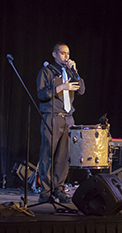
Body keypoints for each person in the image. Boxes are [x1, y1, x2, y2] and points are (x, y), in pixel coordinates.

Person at [36, 43, 85, 203]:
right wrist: (60, 87)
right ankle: (45, 191)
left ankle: (59, 189)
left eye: (68, 53)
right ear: (54, 54)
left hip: (68, 118)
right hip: (52, 116)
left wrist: (75, 71)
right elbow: (41, 94)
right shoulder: (47, 72)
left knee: (64, 157)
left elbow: (81, 89)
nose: (66, 56)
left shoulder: (70, 71)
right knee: (48, 154)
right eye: (63, 53)